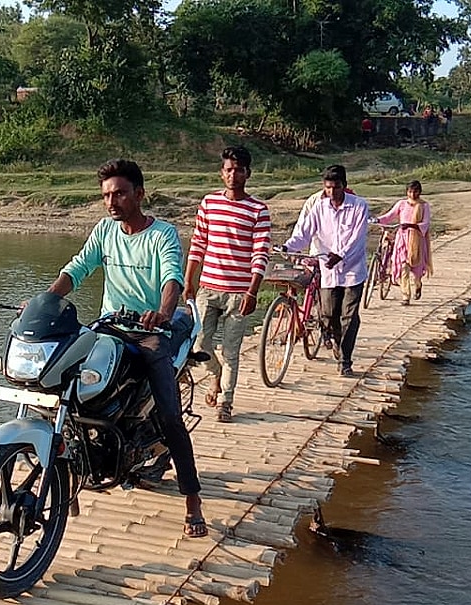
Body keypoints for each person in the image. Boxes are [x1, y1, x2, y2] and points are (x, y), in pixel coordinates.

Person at [48, 158, 208, 538]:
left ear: (139, 194)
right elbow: (77, 268)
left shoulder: (162, 234)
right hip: (107, 327)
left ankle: (192, 500)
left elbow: (172, 278)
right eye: (106, 195)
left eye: (119, 193)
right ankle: (70, 472)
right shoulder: (105, 230)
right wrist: (46, 300)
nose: (111, 202)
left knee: (170, 417)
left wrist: (163, 313)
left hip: (149, 331)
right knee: (62, 386)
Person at [185, 145, 272, 423]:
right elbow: (198, 243)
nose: (233, 175)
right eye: (228, 170)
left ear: (248, 174)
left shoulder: (258, 209)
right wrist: (188, 280)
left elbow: (260, 253)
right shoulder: (209, 203)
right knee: (199, 344)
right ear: (221, 173)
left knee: (231, 351)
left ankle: (226, 401)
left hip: (239, 293)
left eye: (238, 170)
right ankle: (216, 374)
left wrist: (252, 291)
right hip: (208, 288)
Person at [283, 165, 370, 378]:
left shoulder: (359, 206)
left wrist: (341, 255)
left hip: (352, 270)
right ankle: (338, 345)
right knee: (329, 314)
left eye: (336, 187)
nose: (332, 192)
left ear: (344, 186)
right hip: (328, 270)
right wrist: (288, 246)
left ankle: (345, 360)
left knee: (349, 315)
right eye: (328, 187)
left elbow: (357, 239)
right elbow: (304, 233)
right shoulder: (319, 207)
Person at [375, 180, 432, 305]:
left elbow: (426, 223)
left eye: (415, 192)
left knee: (417, 268)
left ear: (420, 192)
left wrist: (413, 226)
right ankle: (406, 296)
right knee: (403, 267)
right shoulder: (401, 204)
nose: (412, 194)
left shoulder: (424, 206)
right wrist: (377, 220)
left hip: (417, 240)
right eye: (410, 192)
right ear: (407, 192)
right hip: (402, 239)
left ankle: (418, 284)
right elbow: (389, 216)